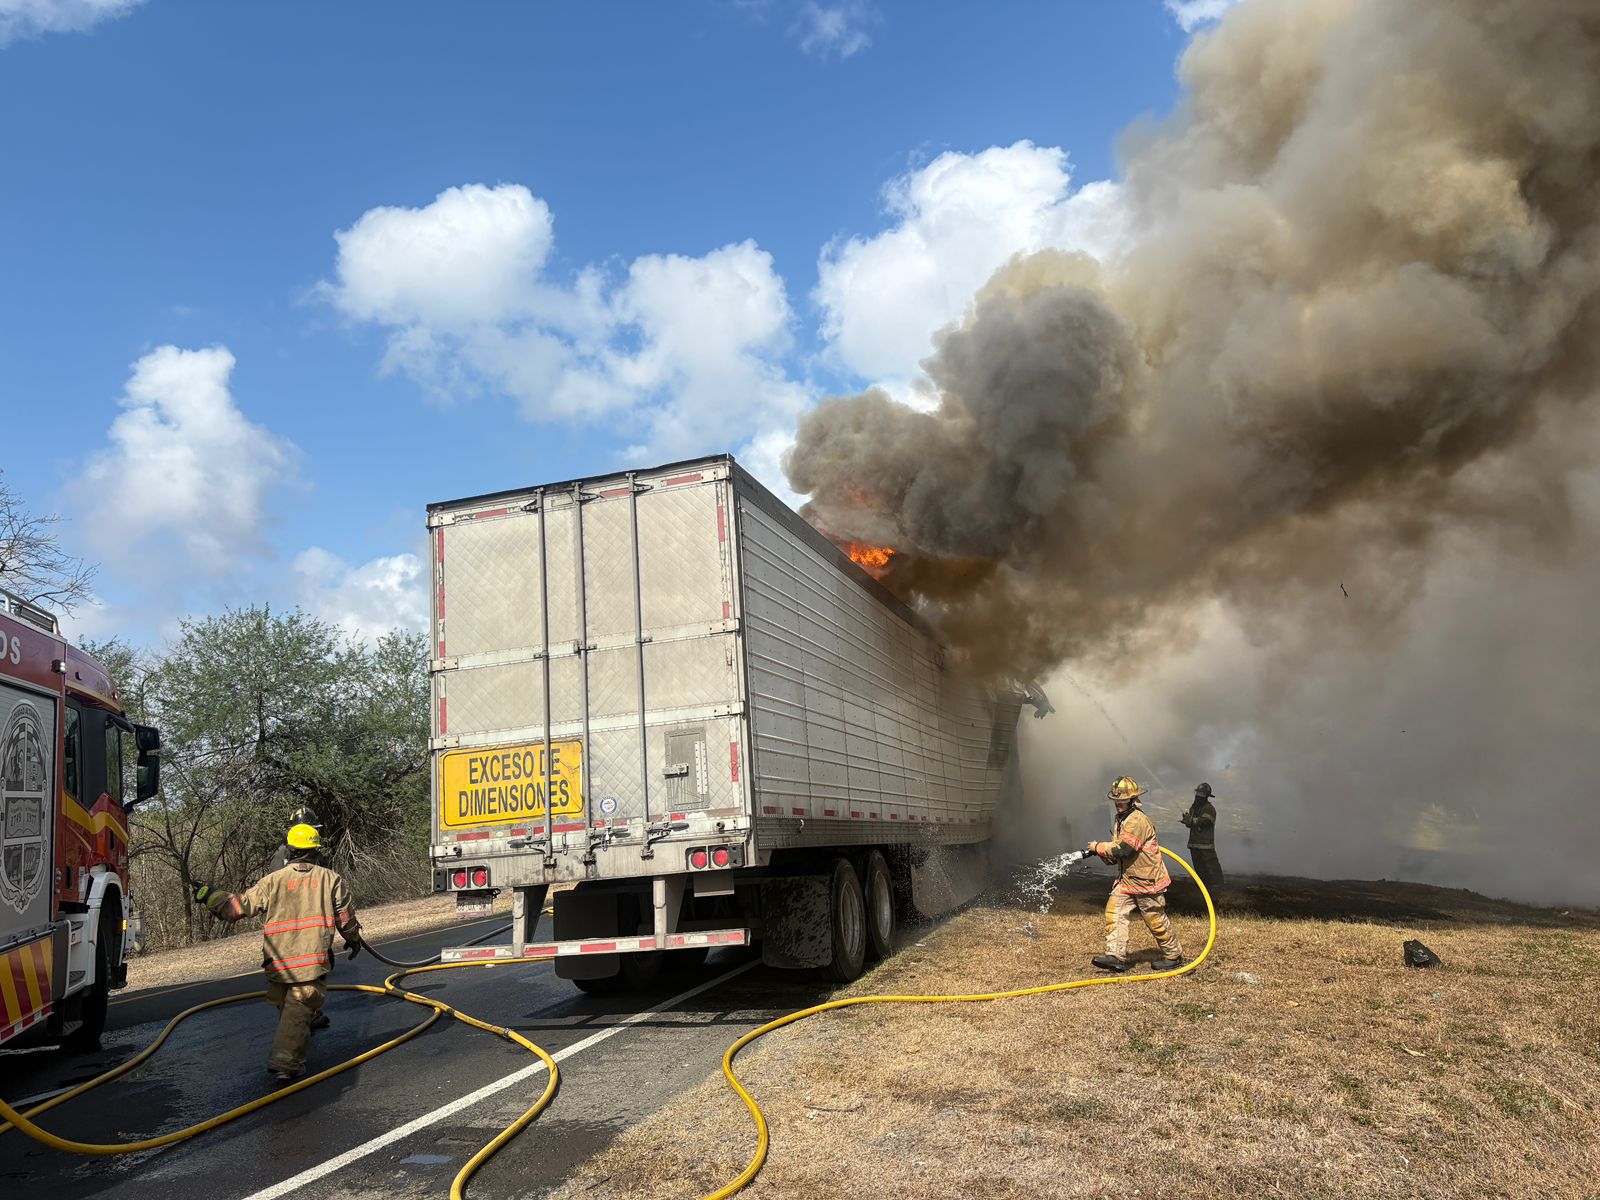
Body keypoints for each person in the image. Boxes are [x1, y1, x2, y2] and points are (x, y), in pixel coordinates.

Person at [192, 821, 361, 1081]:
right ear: (316, 850)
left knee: (291, 1010)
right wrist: (353, 939)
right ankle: (285, 1061)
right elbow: (346, 919)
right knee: (299, 1007)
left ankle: (294, 1055)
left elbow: (237, 908)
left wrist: (211, 895)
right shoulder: (330, 879)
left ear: (290, 850)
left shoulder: (272, 881)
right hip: (310, 961)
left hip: (277, 962)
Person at [1086, 775, 1183, 973]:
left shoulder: (1137, 820)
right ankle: (1115, 956)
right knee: (1114, 912)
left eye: (1122, 800)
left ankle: (1174, 956)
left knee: (1154, 919)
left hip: (1147, 880)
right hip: (1128, 880)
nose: (1118, 804)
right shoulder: (1121, 818)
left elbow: (1125, 849)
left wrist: (1098, 846)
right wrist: (1107, 856)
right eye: (1116, 801)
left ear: (1132, 800)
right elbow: (1121, 852)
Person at [1180, 782, 1224, 897]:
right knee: (1199, 869)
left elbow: (1205, 822)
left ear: (1207, 796)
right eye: (1198, 793)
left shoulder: (1209, 809)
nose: (1199, 796)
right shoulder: (1193, 808)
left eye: (1202, 794)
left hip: (1206, 845)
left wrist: (1191, 820)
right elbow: (1191, 823)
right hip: (1194, 845)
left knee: (1211, 867)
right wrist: (1187, 820)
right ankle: (1204, 889)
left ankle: (1218, 889)